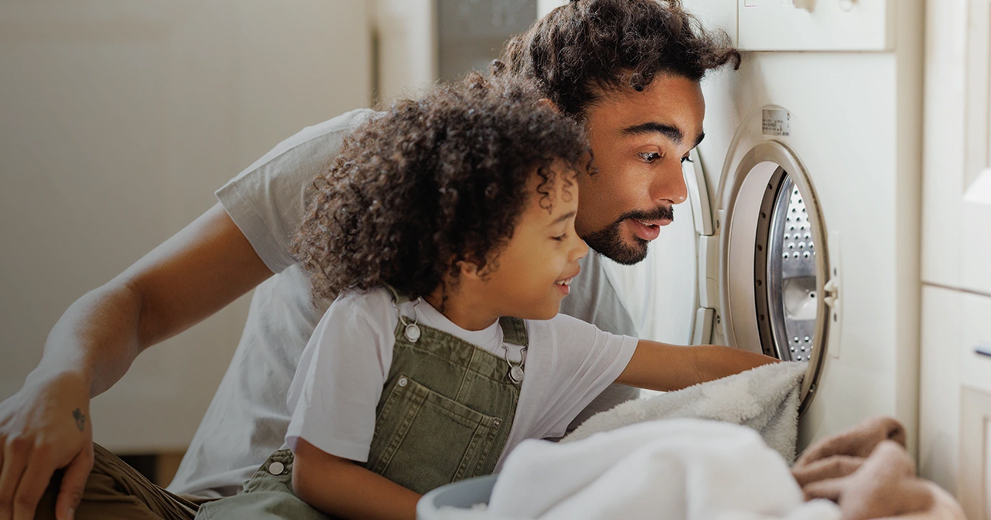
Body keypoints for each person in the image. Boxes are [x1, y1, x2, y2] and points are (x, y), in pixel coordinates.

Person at [0, 1, 742, 519]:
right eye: (649, 152)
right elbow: (142, 301)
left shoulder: (574, 301)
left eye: (685, 157)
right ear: (550, 124)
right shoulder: (363, 165)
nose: (675, 191)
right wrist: (55, 380)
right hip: (222, 508)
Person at [195, 73, 773, 520]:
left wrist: (797, 377)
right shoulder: (366, 321)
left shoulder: (550, 344)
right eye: (556, 235)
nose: (578, 251)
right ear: (470, 251)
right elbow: (316, 476)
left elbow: (692, 363)